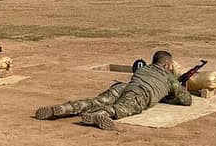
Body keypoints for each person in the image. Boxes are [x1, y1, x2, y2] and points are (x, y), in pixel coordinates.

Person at [34, 50, 193, 130]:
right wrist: (172, 88)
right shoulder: (169, 77)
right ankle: (99, 116)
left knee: (96, 101)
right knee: (121, 108)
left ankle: (64, 108)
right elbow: (186, 100)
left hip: (123, 87)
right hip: (140, 93)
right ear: (167, 64)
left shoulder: (144, 69)